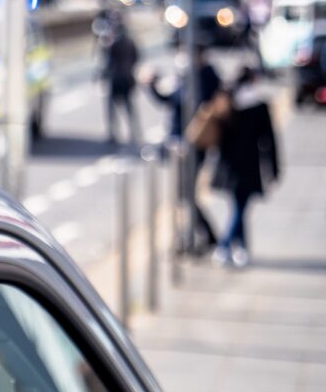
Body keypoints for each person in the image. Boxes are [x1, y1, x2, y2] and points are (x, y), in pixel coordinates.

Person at [146, 49, 221, 252]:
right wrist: (151, 86)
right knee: (183, 194)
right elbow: (170, 99)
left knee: (186, 194)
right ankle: (194, 237)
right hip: (183, 147)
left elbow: (182, 100)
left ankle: (206, 236)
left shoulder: (204, 78)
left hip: (192, 147)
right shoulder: (193, 79)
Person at [211, 66, 280, 268]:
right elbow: (269, 141)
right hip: (249, 164)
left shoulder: (227, 101)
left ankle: (238, 248)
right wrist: (274, 169)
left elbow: (217, 135)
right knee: (240, 208)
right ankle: (227, 246)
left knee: (238, 206)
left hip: (228, 164)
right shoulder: (259, 105)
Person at [101, 17, 140, 145]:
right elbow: (137, 58)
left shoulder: (113, 44)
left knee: (113, 109)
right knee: (129, 108)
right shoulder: (130, 42)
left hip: (117, 79)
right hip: (127, 78)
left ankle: (113, 134)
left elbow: (108, 63)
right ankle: (133, 133)